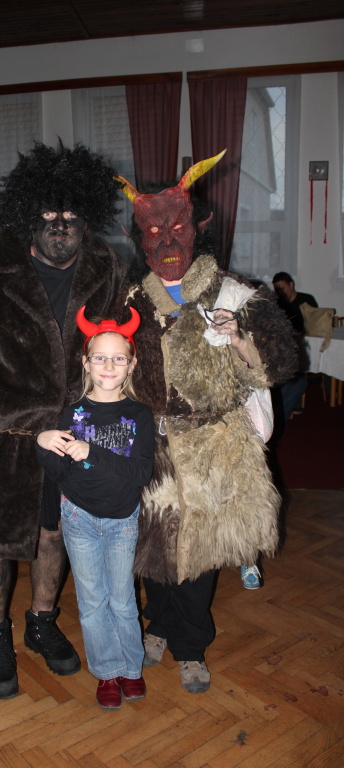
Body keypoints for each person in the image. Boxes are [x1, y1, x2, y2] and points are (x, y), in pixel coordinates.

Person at [0, 142, 127, 700]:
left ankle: (40, 622)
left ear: (86, 219)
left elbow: (120, 344)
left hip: (71, 433)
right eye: (47, 214)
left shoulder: (106, 268)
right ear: (27, 216)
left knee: (54, 535)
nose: (59, 225)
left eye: (70, 215)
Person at [115, 153, 298, 693]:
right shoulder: (129, 299)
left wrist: (239, 338)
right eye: (154, 232)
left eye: (177, 228)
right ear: (139, 240)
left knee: (198, 554)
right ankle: (158, 625)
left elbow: (280, 362)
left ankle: (191, 647)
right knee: (153, 549)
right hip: (150, 447)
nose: (167, 241)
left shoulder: (235, 292)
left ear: (197, 228)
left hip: (215, 447)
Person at [36, 307, 154, 710]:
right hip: (79, 516)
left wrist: (93, 452)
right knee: (91, 602)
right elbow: (58, 472)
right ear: (85, 362)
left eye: (118, 358)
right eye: (100, 357)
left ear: (131, 364)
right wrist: (43, 442)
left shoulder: (139, 414)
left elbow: (141, 472)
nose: (108, 365)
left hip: (122, 519)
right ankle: (107, 671)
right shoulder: (71, 413)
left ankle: (131, 668)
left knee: (121, 600)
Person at [272, 271, 318, 422]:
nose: (280, 292)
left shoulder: (306, 300)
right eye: (277, 289)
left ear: (291, 285)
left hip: (306, 341)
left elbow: (313, 323)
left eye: (282, 288)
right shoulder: (278, 304)